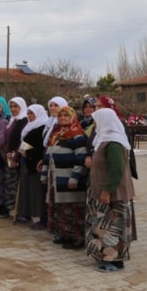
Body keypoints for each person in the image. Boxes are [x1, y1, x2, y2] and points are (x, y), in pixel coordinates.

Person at [86, 108, 136, 272]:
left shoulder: (114, 142)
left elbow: (117, 169)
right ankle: (104, 257)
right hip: (101, 191)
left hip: (113, 194)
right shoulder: (103, 139)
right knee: (102, 226)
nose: (95, 124)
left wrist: (107, 191)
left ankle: (115, 261)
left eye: (96, 120)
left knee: (113, 228)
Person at [41, 106, 88, 249]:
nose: (62, 118)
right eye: (60, 116)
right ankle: (64, 234)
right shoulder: (56, 134)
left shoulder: (78, 135)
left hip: (68, 178)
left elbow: (81, 158)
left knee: (73, 208)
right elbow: (47, 156)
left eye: (66, 116)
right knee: (60, 208)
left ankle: (77, 238)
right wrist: (44, 173)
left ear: (72, 117)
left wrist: (75, 177)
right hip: (55, 178)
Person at [17, 104, 48, 229]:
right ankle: (28, 214)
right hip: (26, 161)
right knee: (28, 189)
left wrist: (28, 153)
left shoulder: (42, 127)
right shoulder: (28, 126)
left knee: (37, 191)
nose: (29, 116)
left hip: (36, 163)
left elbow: (41, 147)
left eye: (32, 113)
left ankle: (39, 216)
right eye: (28, 113)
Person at [4, 97, 28, 217]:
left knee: (16, 184)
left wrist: (15, 157)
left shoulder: (24, 120)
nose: (13, 109)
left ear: (21, 107)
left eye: (16, 106)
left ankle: (18, 211)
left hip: (17, 157)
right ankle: (11, 208)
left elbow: (21, 141)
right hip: (9, 155)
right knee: (10, 184)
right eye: (11, 106)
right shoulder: (12, 120)